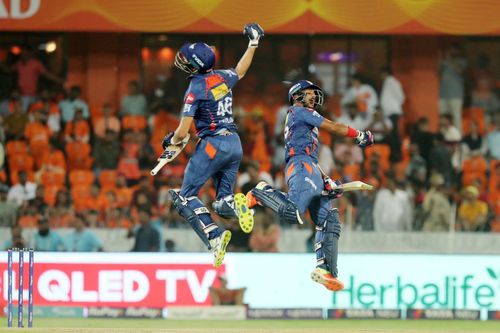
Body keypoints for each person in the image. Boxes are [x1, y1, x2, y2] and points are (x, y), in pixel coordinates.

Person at [246, 80, 373, 291]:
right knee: (293, 212)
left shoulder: (305, 117)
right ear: (296, 97)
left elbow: (313, 157)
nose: (314, 97)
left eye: (315, 94)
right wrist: (359, 135)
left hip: (311, 166)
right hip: (300, 164)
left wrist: (326, 180)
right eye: (309, 93)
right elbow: (334, 127)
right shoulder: (298, 111)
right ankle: (261, 191)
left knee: (329, 220)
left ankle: (325, 270)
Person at [164, 23, 264, 268]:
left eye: (186, 58)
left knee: (184, 197)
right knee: (221, 203)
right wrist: (253, 44)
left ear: (195, 65)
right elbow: (240, 71)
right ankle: (243, 205)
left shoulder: (195, 87)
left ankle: (215, 236)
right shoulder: (222, 77)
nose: (182, 60)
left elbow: (183, 131)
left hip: (213, 146)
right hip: (234, 144)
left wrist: (172, 140)